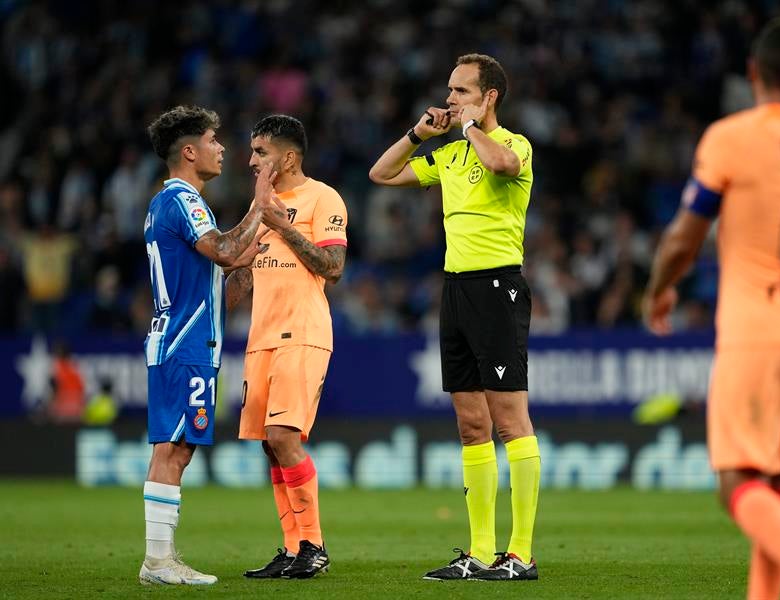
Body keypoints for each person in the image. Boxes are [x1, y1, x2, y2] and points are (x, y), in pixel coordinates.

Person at [641, 3, 780, 599]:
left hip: (760, 328)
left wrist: (658, 289)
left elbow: (685, 237)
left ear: (752, 73)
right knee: (775, 479)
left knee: (735, 482)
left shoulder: (732, 138)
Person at [369, 53, 540, 581]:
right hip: (457, 290)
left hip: (498, 287)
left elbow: (502, 167)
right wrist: (418, 134)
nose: (449, 99)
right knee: (472, 425)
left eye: (461, 91)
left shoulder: (513, 144)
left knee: (510, 421)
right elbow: (382, 173)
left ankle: (521, 554)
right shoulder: (446, 155)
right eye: (449, 90)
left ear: (488, 98)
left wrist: (468, 129)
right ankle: (481, 551)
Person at [140, 105, 279, 586]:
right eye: (214, 140)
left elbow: (222, 277)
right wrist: (260, 203)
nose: (223, 149)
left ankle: (161, 557)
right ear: (189, 151)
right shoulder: (184, 200)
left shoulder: (169, 204)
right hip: (185, 343)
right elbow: (221, 249)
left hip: (185, 340)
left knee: (177, 449)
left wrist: (249, 257)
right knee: (173, 450)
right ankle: (157, 561)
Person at [225, 115, 347, 580]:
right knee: (269, 448)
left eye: (261, 152)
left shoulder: (323, 198)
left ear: (289, 157)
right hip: (261, 339)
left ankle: (314, 546)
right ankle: (293, 547)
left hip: (304, 331)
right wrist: (235, 270)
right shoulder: (260, 206)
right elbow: (239, 275)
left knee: (283, 438)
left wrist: (283, 225)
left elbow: (332, 267)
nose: (252, 159)